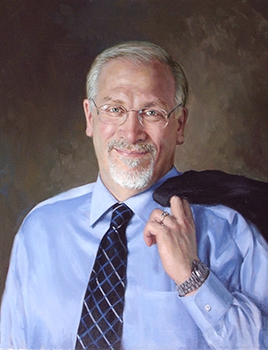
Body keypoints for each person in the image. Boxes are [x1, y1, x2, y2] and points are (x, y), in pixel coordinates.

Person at [0, 41, 268, 350]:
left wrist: (193, 278)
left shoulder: (232, 233)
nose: (131, 133)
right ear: (90, 117)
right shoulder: (40, 229)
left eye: (151, 112)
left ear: (179, 124)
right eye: (115, 109)